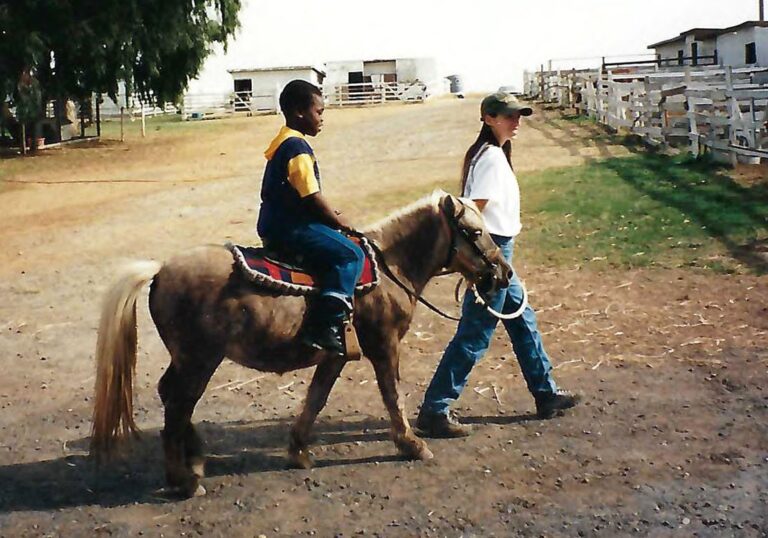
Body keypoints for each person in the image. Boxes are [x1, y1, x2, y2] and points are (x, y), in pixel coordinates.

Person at [416, 92, 580, 438]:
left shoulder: (491, 155)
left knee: (523, 319)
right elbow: (472, 211)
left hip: (499, 251)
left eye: (518, 115)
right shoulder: (490, 158)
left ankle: (545, 393)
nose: (515, 121)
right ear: (489, 118)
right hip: (492, 252)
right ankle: (435, 409)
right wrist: (481, 259)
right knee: (475, 332)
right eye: (508, 116)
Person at [257, 79, 364, 356]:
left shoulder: (283, 143)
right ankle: (324, 325)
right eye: (319, 112)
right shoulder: (297, 148)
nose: (322, 119)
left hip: (277, 223)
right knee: (351, 255)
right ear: (298, 112)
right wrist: (339, 222)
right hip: (291, 227)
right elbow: (312, 197)